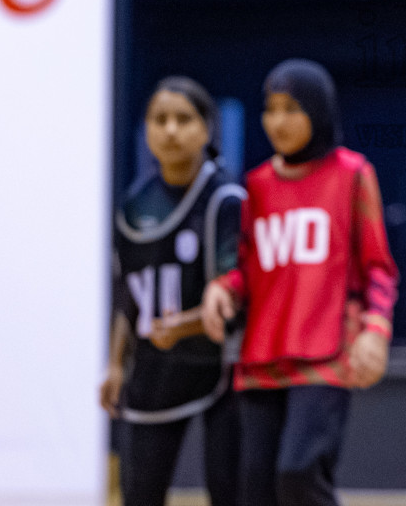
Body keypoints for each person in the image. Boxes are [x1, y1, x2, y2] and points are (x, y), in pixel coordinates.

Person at [201, 59, 398, 506]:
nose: (278, 121)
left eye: (292, 108)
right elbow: (246, 269)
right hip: (260, 359)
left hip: (326, 353)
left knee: (298, 476)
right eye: (270, 109)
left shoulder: (352, 174)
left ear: (319, 111)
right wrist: (222, 288)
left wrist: (376, 330)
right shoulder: (256, 185)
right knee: (254, 490)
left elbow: (379, 267)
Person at [103, 77, 245, 506]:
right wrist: (114, 364)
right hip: (152, 369)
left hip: (220, 368)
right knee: (139, 494)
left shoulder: (226, 199)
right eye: (159, 119)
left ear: (207, 129)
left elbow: (234, 292)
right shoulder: (133, 205)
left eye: (183, 119)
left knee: (229, 490)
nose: (169, 130)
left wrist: (182, 327)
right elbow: (128, 297)